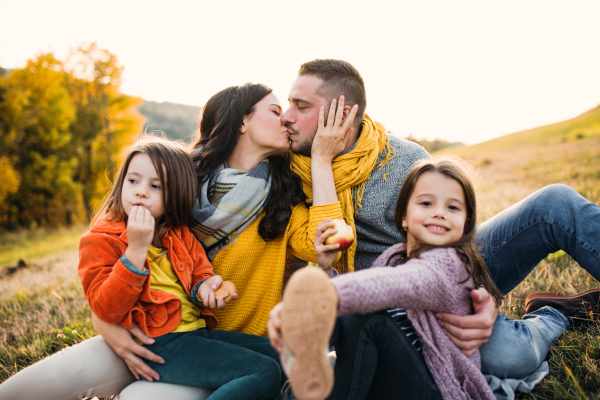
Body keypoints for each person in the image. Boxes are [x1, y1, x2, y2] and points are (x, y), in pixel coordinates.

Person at [0, 83, 355, 400]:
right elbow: (109, 255)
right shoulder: (175, 178)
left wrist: (321, 160)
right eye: (276, 111)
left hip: (216, 344)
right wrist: (107, 326)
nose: (287, 120)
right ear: (243, 121)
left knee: (141, 396)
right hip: (147, 332)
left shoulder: (280, 204)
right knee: (29, 387)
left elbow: (325, 242)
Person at [280, 59, 600, 384]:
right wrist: (321, 160)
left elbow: (455, 245)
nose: (286, 115)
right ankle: (556, 315)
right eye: (288, 102)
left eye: (300, 105)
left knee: (555, 203)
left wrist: (481, 296)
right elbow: (308, 252)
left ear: (342, 115)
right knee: (512, 356)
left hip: (447, 273)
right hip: (383, 301)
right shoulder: (289, 173)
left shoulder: (404, 159)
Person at [273, 157, 502, 400]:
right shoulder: (392, 258)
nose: (439, 213)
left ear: (466, 223)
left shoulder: (451, 264)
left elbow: (390, 285)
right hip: (392, 380)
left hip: (438, 390)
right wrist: (326, 272)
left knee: (368, 318)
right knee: (349, 316)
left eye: (453, 207)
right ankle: (308, 373)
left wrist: (314, 299)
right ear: (403, 216)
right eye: (426, 203)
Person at [78, 136, 287, 400]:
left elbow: (200, 274)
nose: (141, 191)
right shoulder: (99, 240)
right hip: (161, 343)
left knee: (284, 355)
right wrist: (136, 251)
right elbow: (106, 308)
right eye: (133, 181)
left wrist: (209, 289)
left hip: (195, 334)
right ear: (121, 184)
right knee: (264, 371)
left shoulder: (178, 234)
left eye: (155, 186)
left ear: (174, 194)